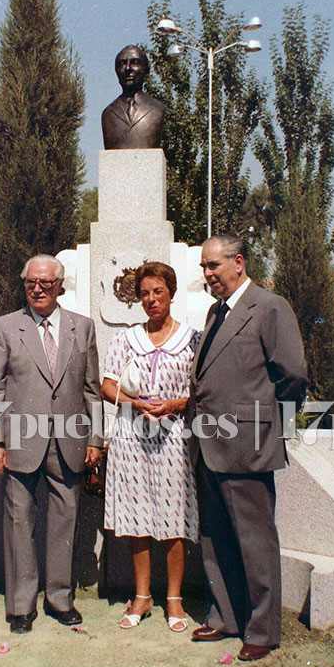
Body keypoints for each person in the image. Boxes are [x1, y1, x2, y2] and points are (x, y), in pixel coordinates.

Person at [189, 235, 307, 661]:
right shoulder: (215, 312)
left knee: (255, 540)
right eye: (204, 267)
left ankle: (261, 630)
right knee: (215, 538)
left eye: (213, 266)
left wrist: (276, 431)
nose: (207, 274)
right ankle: (225, 617)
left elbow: (292, 375)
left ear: (238, 262)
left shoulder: (270, 307)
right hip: (209, 444)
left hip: (249, 445)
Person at [0, 254, 102, 634]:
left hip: (70, 442)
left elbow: (92, 390)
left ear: (59, 286)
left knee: (65, 522)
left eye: (46, 284)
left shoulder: (82, 328)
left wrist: (95, 439)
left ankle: (60, 599)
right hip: (19, 442)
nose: (37, 289)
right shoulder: (5, 328)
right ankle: (20, 606)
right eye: (31, 282)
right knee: (19, 523)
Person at [101, 262, 200, 632]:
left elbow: (200, 391)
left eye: (158, 292)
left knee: (175, 517)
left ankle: (173, 599)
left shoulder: (192, 339)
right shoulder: (126, 339)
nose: (151, 300)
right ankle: (142, 595)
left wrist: (175, 405)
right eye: (144, 293)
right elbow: (107, 385)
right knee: (136, 517)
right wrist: (135, 402)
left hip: (174, 438)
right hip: (132, 439)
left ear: (171, 293)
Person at [101, 45, 165, 150]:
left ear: (146, 71)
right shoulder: (108, 113)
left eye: (135, 62)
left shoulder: (158, 109)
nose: (127, 68)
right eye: (122, 64)